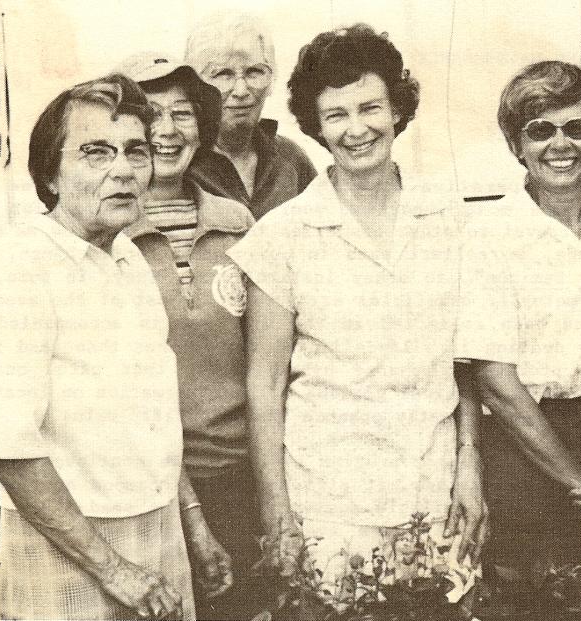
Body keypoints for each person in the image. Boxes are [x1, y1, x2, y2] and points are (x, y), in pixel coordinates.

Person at [227, 23, 486, 607]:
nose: (356, 128)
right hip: (329, 500)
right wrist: (278, 513)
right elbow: (263, 386)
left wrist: (470, 467)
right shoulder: (281, 237)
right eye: (336, 114)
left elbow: (466, 361)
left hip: (434, 486)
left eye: (371, 107)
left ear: (397, 109)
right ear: (316, 127)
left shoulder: (451, 218)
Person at [0, 74, 195, 620]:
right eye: (95, 153)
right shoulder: (17, 267)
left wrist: (195, 528)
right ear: (50, 173)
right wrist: (114, 570)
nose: (122, 170)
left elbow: (153, 420)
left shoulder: (130, 260)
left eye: (135, 152)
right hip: (72, 551)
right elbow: (12, 449)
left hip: (157, 533)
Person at [457, 61, 581, 590]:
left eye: (577, 128)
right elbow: (495, 383)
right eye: (540, 130)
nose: (559, 144)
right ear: (516, 145)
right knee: (538, 594)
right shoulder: (488, 236)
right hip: (528, 447)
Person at [118, 52, 264, 619]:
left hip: (246, 474)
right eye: (150, 116)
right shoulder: (111, 237)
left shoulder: (238, 223)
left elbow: (267, 355)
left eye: (182, 114)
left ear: (202, 127)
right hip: (154, 485)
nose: (166, 131)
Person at [185, 11, 317, 219]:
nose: (241, 91)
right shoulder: (182, 164)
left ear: (271, 79)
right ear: (197, 86)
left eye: (254, 72)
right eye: (223, 74)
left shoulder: (292, 160)